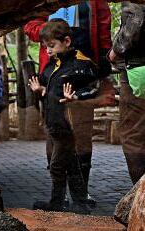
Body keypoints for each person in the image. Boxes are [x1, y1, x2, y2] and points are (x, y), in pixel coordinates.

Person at [24, 0, 114, 206]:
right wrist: (48, 34)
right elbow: (29, 23)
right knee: (55, 131)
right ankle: (61, 194)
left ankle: (81, 193)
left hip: (82, 67)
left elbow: (103, 26)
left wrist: (103, 64)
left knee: (81, 133)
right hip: (54, 66)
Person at [28, 19, 99, 212]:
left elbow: (95, 87)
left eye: (51, 46)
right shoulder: (51, 67)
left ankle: (57, 202)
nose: (48, 51)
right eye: (45, 47)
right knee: (72, 164)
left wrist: (76, 96)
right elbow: (48, 89)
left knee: (57, 166)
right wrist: (40, 88)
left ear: (67, 41)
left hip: (69, 126)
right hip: (54, 125)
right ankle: (80, 202)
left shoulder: (81, 64)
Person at [108, 2, 145, 184]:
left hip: (138, 68)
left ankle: (140, 196)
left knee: (134, 134)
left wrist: (116, 50)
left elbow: (135, 20)